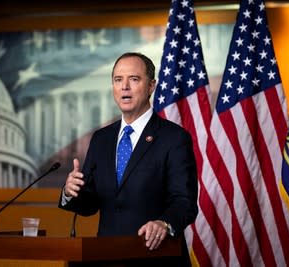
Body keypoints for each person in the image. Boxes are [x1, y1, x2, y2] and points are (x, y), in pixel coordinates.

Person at [59, 52, 198, 266]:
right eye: (118, 80)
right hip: (107, 258)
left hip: (155, 258)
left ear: (151, 86)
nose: (124, 87)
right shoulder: (101, 139)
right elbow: (91, 204)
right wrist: (71, 191)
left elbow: (184, 201)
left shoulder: (175, 138)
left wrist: (164, 223)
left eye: (134, 79)